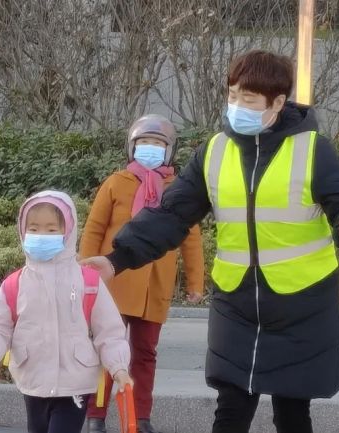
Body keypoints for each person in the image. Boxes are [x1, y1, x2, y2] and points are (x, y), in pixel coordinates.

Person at [82, 50, 339, 433]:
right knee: (230, 408)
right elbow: (171, 215)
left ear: (277, 102)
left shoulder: (313, 149)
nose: (236, 106)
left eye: (248, 99)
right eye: (232, 95)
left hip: (302, 301)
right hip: (237, 301)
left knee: (292, 411)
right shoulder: (213, 152)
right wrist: (115, 260)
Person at [80, 114, 205, 433]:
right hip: (115, 282)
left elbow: (191, 238)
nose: (151, 148)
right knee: (108, 350)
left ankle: (140, 416)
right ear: (132, 147)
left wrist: (195, 282)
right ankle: (95, 415)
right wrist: (85, 273)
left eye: (159, 144)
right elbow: (94, 229)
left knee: (145, 353)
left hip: (155, 288)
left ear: (169, 150)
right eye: (144, 143)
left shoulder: (178, 190)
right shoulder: (116, 182)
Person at [0, 190, 132, 433]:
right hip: (32, 380)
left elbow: (109, 332)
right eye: (34, 229)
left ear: (67, 232)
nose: (41, 235)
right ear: (22, 231)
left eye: (51, 229)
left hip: (75, 383)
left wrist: (119, 367)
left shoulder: (87, 281)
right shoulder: (16, 283)